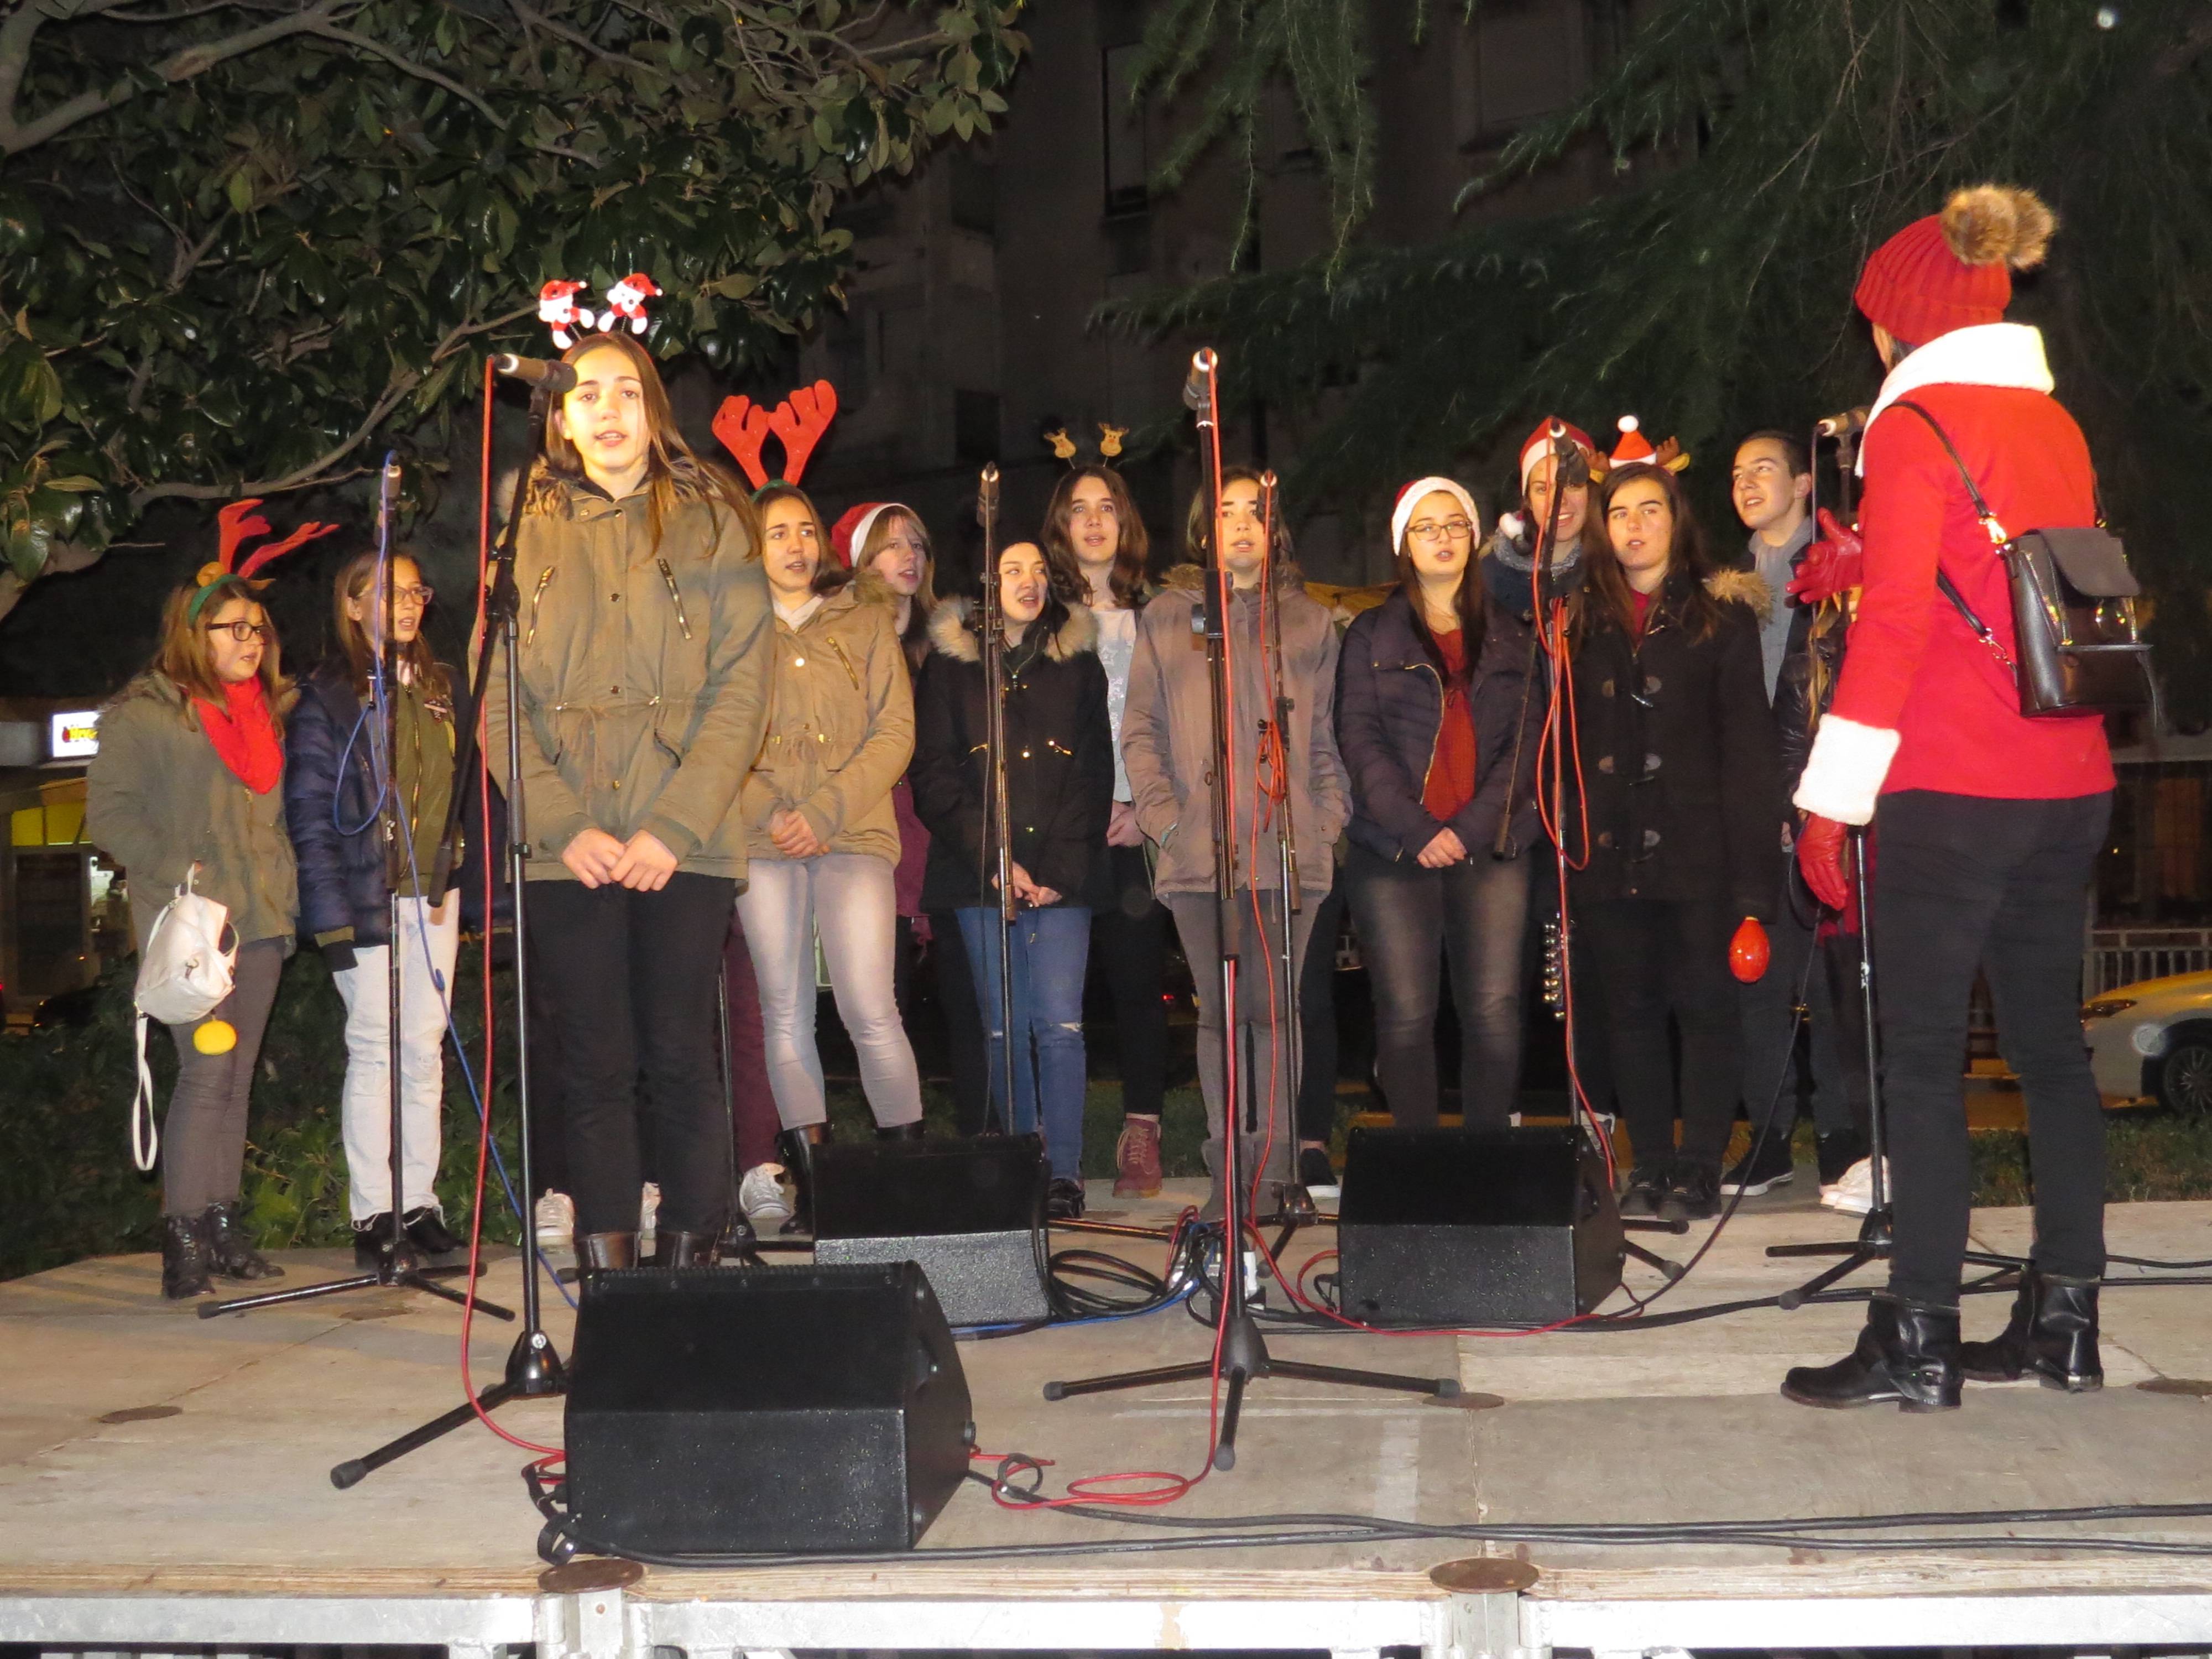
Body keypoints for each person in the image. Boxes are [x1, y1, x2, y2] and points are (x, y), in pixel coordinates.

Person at [1785, 185, 2113, 1412]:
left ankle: (1918, 1336)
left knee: (1920, 1061)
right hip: (2068, 779)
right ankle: (2064, 1321)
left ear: (1902, 321)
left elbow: (1894, 627)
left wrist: (1830, 800)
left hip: (1953, 784)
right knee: (2051, 1056)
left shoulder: (1912, 422)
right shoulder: (2056, 423)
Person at [483, 330, 773, 1272]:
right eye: (587, 395)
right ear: (560, 418)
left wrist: (673, 827)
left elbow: (745, 686)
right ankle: (611, 1284)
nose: (607, 411)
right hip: (567, 846)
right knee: (592, 1064)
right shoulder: (522, 529)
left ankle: (691, 1274)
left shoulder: (715, 521)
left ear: (654, 410)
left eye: (626, 393)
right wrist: (561, 824)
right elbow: (497, 698)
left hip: (683, 840)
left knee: (680, 1057)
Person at [1122, 468, 1349, 1213]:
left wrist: (1324, 819)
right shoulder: (1168, 616)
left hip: (1288, 847)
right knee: (1221, 1017)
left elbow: (1325, 737)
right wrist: (1168, 820)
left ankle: (1277, 1175)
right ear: (1204, 528)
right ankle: (1229, 1176)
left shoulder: (1308, 621)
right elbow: (1141, 731)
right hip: (1202, 855)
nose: (1242, 523)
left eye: (1256, 511)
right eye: (1227, 510)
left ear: (1274, 528)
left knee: (1275, 1015)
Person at [1568, 454, 1781, 1222]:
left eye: (1650, 510)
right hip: (1608, 852)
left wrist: (1752, 881)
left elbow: (1748, 751)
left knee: (1705, 1010)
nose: (1634, 526)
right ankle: (1651, 1162)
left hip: (1699, 852)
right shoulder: (1578, 621)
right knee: (1630, 1013)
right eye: (1620, 513)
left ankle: (1699, 1166)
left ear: (1676, 521)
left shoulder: (1719, 617)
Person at [87, 564, 300, 1298]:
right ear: (192, 633)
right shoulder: (146, 714)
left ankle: (221, 1225)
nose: (252, 640)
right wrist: (183, 866)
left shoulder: (264, 712)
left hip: (260, 921)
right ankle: (181, 1237)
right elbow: (109, 816)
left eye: (258, 628)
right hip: (192, 926)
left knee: (236, 1079)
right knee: (207, 1074)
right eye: (234, 628)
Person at [738, 483, 924, 1230]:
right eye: (777, 533)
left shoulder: (866, 620)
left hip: (852, 831)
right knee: (785, 1015)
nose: (796, 545)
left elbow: (895, 732)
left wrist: (823, 810)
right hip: (763, 840)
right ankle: (819, 1194)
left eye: (805, 530)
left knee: (870, 1007)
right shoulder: (730, 632)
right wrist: (769, 810)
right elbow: (713, 738)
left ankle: (906, 1187)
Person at [911, 540, 1114, 1216]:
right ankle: (1024, 1161)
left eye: (1038, 571)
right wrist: (995, 856)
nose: (1028, 582)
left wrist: (1056, 870)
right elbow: (935, 775)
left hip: (1061, 876)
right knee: (1003, 1027)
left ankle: (1065, 1172)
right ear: (986, 584)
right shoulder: (950, 667)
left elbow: (1092, 772)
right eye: (1011, 570)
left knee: (1060, 1024)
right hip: (980, 875)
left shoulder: (1078, 665)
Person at [1338, 477, 1542, 1131]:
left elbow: (1526, 745)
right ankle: (1418, 1162)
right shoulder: (1370, 634)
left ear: (1474, 536)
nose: (1443, 537)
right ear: (1404, 545)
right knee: (1404, 1014)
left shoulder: (1513, 634)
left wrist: (1472, 828)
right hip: (1394, 848)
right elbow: (1358, 740)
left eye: (1455, 524)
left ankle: (1485, 1160)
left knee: (1493, 1011)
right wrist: (1418, 829)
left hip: (1493, 843)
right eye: (1425, 527)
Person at [285, 546, 466, 1265]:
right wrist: (329, 919)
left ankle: (418, 1200)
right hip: (365, 893)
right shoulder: (328, 695)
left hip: (433, 895)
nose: (408, 603)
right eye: (390, 591)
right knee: (374, 1046)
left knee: (424, 1048)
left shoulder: (440, 686)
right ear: (353, 603)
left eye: (417, 591)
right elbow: (309, 813)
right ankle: (373, 1214)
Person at [1723, 432, 1865, 1197]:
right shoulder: (1724, 585)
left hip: (1829, 794)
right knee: (1758, 978)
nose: (1747, 483)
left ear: (1806, 482)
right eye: (1737, 473)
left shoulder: (1842, 569)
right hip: (1749, 805)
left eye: (1764, 469)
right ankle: (1769, 1136)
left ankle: (1843, 1135)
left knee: (1834, 977)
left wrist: (1811, 799)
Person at [1041, 465, 1173, 1197]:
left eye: (1107, 508)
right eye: (1078, 509)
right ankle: (1047, 1140)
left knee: (1138, 986)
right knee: (1057, 999)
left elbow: (1180, 728)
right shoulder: (1043, 619)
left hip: (1136, 828)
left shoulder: (1160, 616)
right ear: (1060, 527)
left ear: (1126, 523)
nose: (1094, 522)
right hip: (1064, 831)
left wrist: (1144, 810)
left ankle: (1142, 1133)